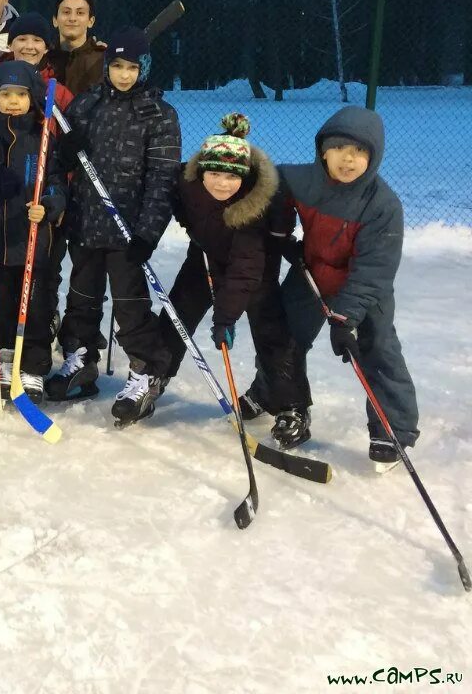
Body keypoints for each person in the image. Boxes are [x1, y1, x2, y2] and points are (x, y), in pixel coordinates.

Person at [249, 106, 417, 470]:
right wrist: (281, 232)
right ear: (323, 150)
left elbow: (375, 268)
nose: (349, 159)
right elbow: (271, 185)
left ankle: (392, 429)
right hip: (310, 273)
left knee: (376, 349)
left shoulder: (382, 205)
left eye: (360, 152)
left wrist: (346, 317)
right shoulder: (302, 179)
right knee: (283, 338)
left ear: (373, 158)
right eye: (340, 148)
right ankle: (269, 393)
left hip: (362, 286)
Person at [51, 28, 180, 425]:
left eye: (132, 68)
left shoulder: (158, 113)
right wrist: (67, 153)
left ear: (144, 69)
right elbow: (62, 163)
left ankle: (144, 373)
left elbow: (163, 177)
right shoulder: (87, 104)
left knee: (131, 305)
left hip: (129, 231)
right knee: (81, 298)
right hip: (87, 222)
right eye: (118, 66)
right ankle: (82, 359)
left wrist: (148, 232)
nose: (124, 74)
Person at [151, 115, 304, 441]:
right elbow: (176, 198)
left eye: (231, 176)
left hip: (255, 267)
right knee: (177, 314)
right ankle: (152, 376)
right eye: (215, 173)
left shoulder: (254, 208)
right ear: (201, 171)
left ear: (245, 177)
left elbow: (244, 270)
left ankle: (292, 406)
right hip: (204, 255)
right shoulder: (187, 184)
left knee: (271, 331)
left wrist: (225, 319)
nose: (221, 182)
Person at [0, 12, 76, 381]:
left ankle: (33, 365)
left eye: (20, 96)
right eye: (5, 95)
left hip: (32, 234)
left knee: (36, 303)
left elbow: (55, 176)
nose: (12, 101)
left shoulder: (43, 135)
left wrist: (52, 205)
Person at [46, 0, 106, 96]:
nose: (72, 18)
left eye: (80, 13)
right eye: (66, 12)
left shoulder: (104, 60)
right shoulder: (43, 59)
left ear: (91, 21)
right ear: (55, 20)